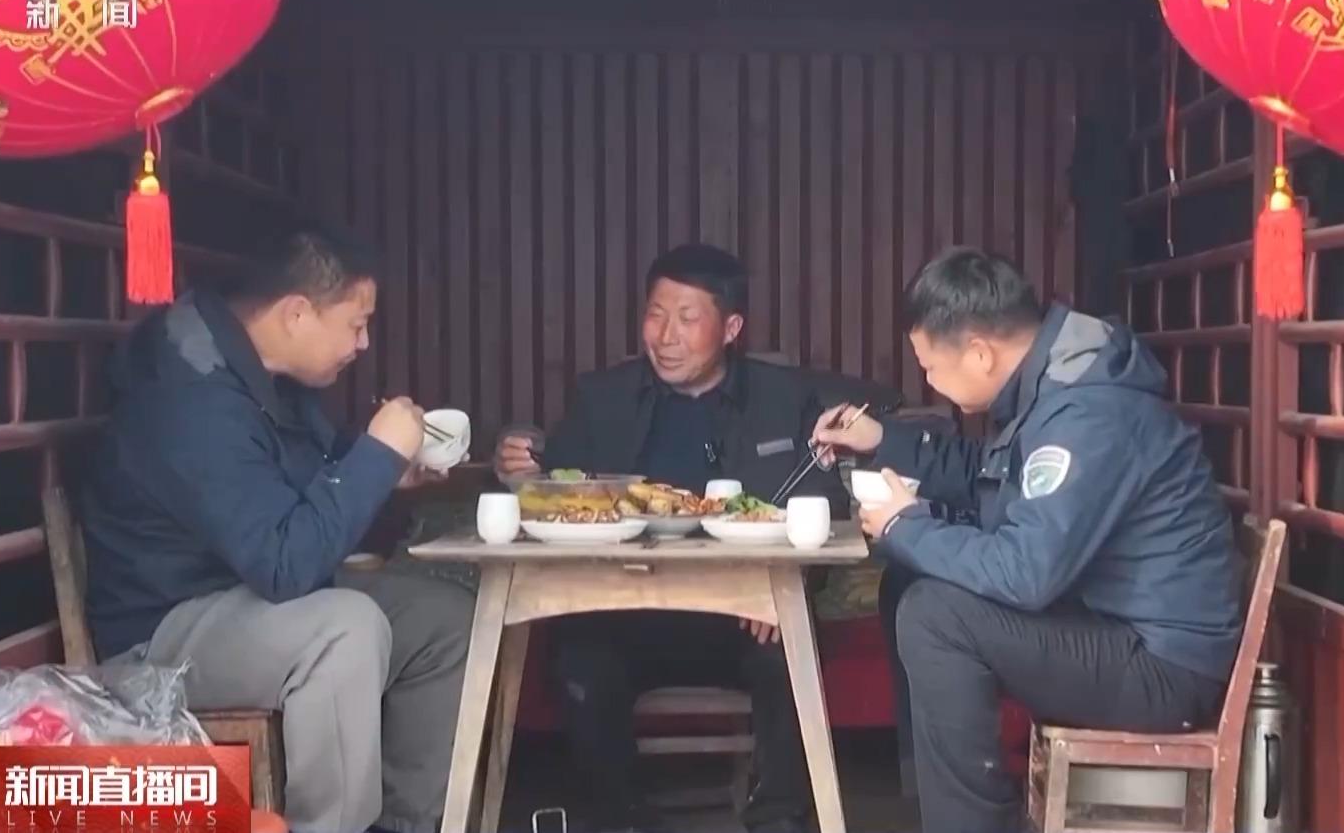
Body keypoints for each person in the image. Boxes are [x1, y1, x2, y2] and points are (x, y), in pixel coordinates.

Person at [811, 246, 1246, 833]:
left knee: (934, 614)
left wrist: (904, 525)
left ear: (979, 353)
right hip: (1110, 627)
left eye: (931, 367)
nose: (929, 382)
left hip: (1161, 665)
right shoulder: (1058, 383)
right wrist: (882, 440)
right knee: (908, 580)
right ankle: (936, 809)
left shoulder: (1087, 415)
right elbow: (985, 474)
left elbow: (1025, 573)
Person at [79, 221, 477, 833]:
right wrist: (375, 458)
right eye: (356, 324)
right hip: (164, 632)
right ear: (296, 314)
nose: (364, 343)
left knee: (446, 620)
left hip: (246, 597)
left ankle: (406, 826)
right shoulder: (192, 396)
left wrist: (385, 470)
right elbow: (286, 565)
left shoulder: (263, 374)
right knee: (344, 629)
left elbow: (308, 476)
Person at [492, 242, 898, 833]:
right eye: (655, 315)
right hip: (624, 611)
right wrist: (522, 466)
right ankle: (619, 819)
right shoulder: (601, 397)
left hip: (742, 616)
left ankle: (777, 819)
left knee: (788, 648)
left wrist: (789, 580)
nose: (666, 336)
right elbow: (557, 487)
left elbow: (825, 508)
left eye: (687, 318)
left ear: (730, 328)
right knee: (580, 658)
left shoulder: (784, 398)